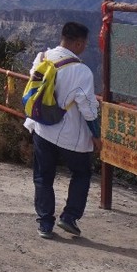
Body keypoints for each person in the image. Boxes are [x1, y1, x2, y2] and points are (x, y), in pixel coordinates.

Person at [24, 21, 100, 240]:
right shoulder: (81, 71)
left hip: (41, 128)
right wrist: (96, 135)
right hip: (71, 135)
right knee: (81, 173)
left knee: (43, 176)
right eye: (84, 43)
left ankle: (45, 223)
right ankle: (69, 217)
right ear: (78, 43)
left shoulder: (42, 57)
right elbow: (88, 109)